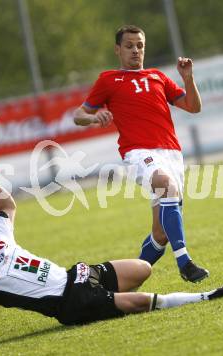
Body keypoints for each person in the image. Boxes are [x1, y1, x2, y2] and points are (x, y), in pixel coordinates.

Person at [0, 170, 223, 349]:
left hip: (75, 274)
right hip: (68, 303)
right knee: (139, 302)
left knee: (143, 268)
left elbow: (7, 205)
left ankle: (110, 301)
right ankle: (207, 296)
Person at [74, 25, 206, 282]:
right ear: (117, 50)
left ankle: (121, 280)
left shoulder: (158, 77)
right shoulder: (109, 79)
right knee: (166, 185)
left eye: (140, 46)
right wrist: (93, 118)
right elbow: (79, 115)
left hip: (172, 154)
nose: (135, 50)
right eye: (129, 45)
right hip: (138, 153)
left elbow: (193, 107)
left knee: (161, 234)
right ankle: (185, 262)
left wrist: (188, 77)